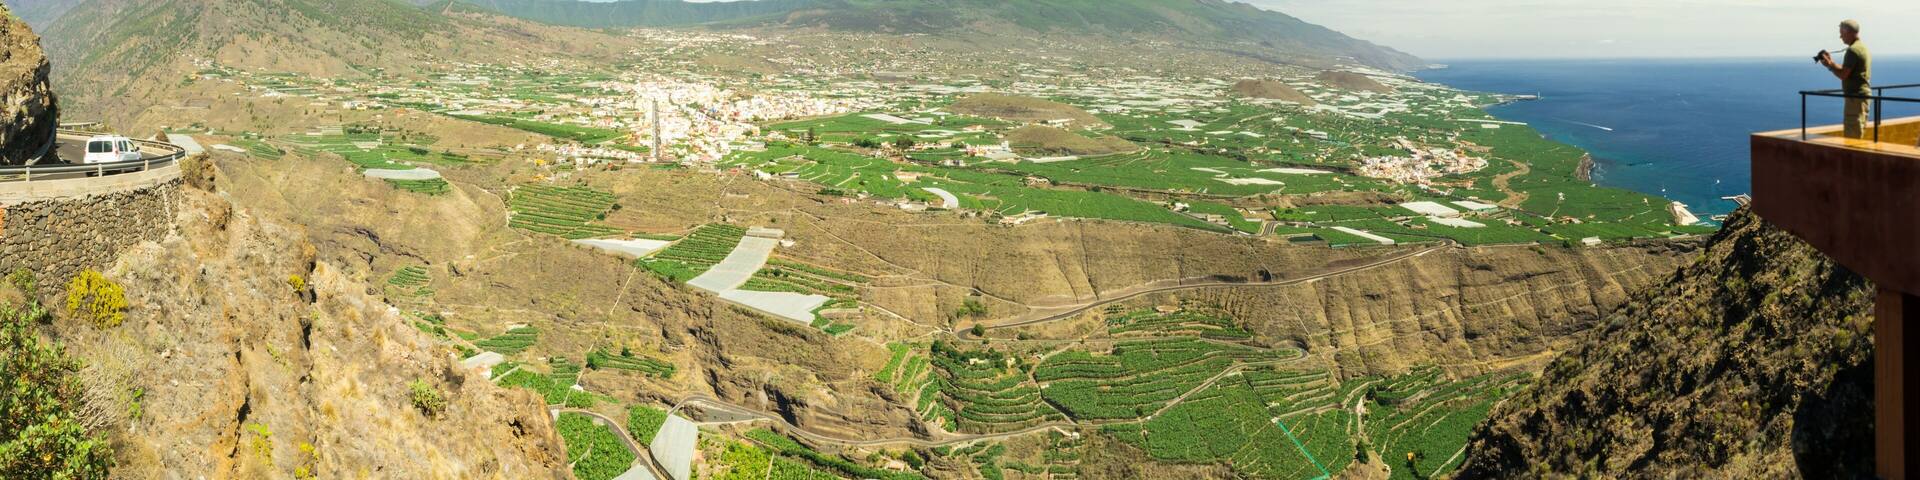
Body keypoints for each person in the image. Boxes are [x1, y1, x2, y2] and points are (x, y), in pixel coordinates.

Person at [1818, 19, 1871, 139]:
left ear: (1849, 32)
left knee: (1853, 133)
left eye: (1842, 32)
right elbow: (1847, 69)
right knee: (1859, 130)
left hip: (1855, 97)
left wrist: (1830, 66)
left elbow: (1843, 75)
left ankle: (1854, 157)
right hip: (1862, 96)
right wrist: (1831, 63)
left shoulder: (1852, 51)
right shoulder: (1862, 47)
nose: (1840, 36)